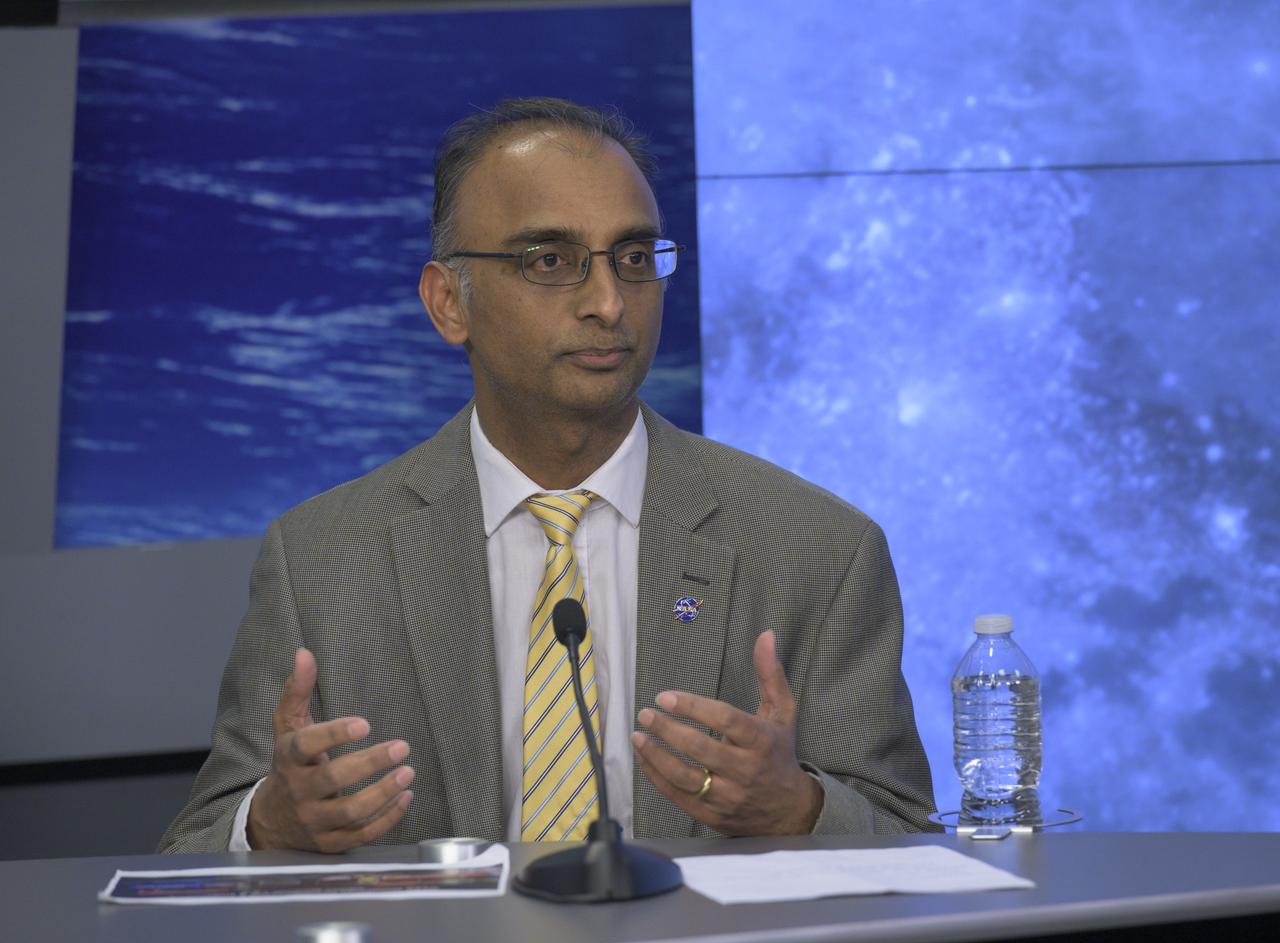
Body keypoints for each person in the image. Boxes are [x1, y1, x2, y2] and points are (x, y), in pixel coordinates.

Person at [159, 97, 936, 855]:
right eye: (551, 261)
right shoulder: (322, 560)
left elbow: (911, 841)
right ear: (447, 303)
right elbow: (193, 847)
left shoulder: (819, 549)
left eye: (633, 258)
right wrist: (268, 826)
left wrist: (799, 809)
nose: (607, 303)